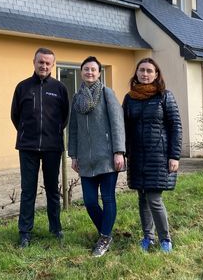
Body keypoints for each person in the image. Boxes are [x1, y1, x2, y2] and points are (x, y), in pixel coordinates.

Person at [10, 47, 70, 248]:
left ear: (53, 65)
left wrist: (51, 133)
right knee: (28, 190)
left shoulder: (60, 88)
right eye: (40, 62)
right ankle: (25, 232)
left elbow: (64, 117)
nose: (44, 66)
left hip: (52, 147)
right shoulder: (22, 87)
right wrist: (29, 133)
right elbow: (15, 116)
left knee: (53, 190)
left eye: (47, 63)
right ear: (34, 62)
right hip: (28, 147)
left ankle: (56, 228)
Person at [123, 57, 182, 253]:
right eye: (142, 70)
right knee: (142, 198)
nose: (145, 74)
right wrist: (123, 152)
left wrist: (175, 156)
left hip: (159, 155)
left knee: (154, 198)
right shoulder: (129, 98)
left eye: (149, 71)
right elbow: (124, 127)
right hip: (136, 156)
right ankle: (148, 237)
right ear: (136, 73)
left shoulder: (165, 96)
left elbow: (176, 127)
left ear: (156, 74)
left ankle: (165, 239)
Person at [68, 56, 126, 257]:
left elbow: (118, 123)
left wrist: (119, 152)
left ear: (99, 73)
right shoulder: (77, 99)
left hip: (107, 158)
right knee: (90, 201)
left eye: (93, 69)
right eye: (86, 69)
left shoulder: (107, 93)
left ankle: (104, 237)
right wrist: (73, 155)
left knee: (108, 198)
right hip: (85, 159)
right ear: (81, 72)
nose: (89, 72)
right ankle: (106, 234)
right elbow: (73, 129)